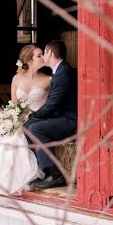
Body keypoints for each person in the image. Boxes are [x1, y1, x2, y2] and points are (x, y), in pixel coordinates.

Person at [0, 44, 50, 195]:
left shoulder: (48, 80)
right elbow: (13, 104)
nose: (43, 57)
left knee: (17, 139)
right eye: (39, 55)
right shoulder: (16, 79)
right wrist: (11, 117)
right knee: (1, 140)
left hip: (38, 119)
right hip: (19, 118)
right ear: (30, 60)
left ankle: (21, 176)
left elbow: (52, 104)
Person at [24, 39, 77, 190]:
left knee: (36, 129)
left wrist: (34, 115)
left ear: (50, 53)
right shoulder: (59, 71)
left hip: (70, 119)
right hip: (61, 116)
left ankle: (55, 175)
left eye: (44, 53)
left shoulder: (63, 72)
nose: (43, 57)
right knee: (28, 126)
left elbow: (52, 104)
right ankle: (42, 169)